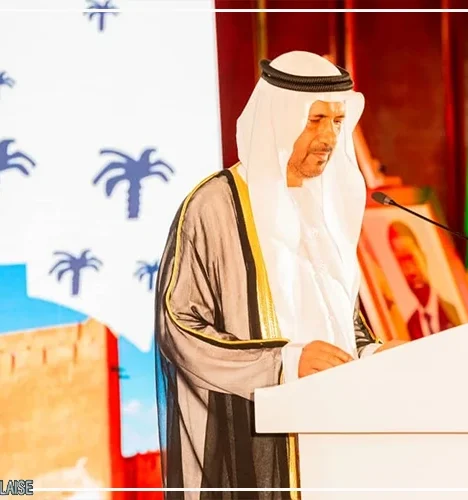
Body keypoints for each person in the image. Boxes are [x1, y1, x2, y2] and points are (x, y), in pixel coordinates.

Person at [154, 51, 407, 499]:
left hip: (334, 433)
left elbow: (338, 317)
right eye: (316, 120)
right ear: (279, 119)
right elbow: (179, 328)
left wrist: (370, 353)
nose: (329, 137)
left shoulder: (325, 205)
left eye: (337, 121)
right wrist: (283, 363)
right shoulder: (215, 206)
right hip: (250, 438)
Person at [387, 220, 460, 340]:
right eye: (401, 262)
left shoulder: (455, 311)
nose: (410, 271)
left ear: (423, 256)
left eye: (411, 258)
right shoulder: (411, 325)